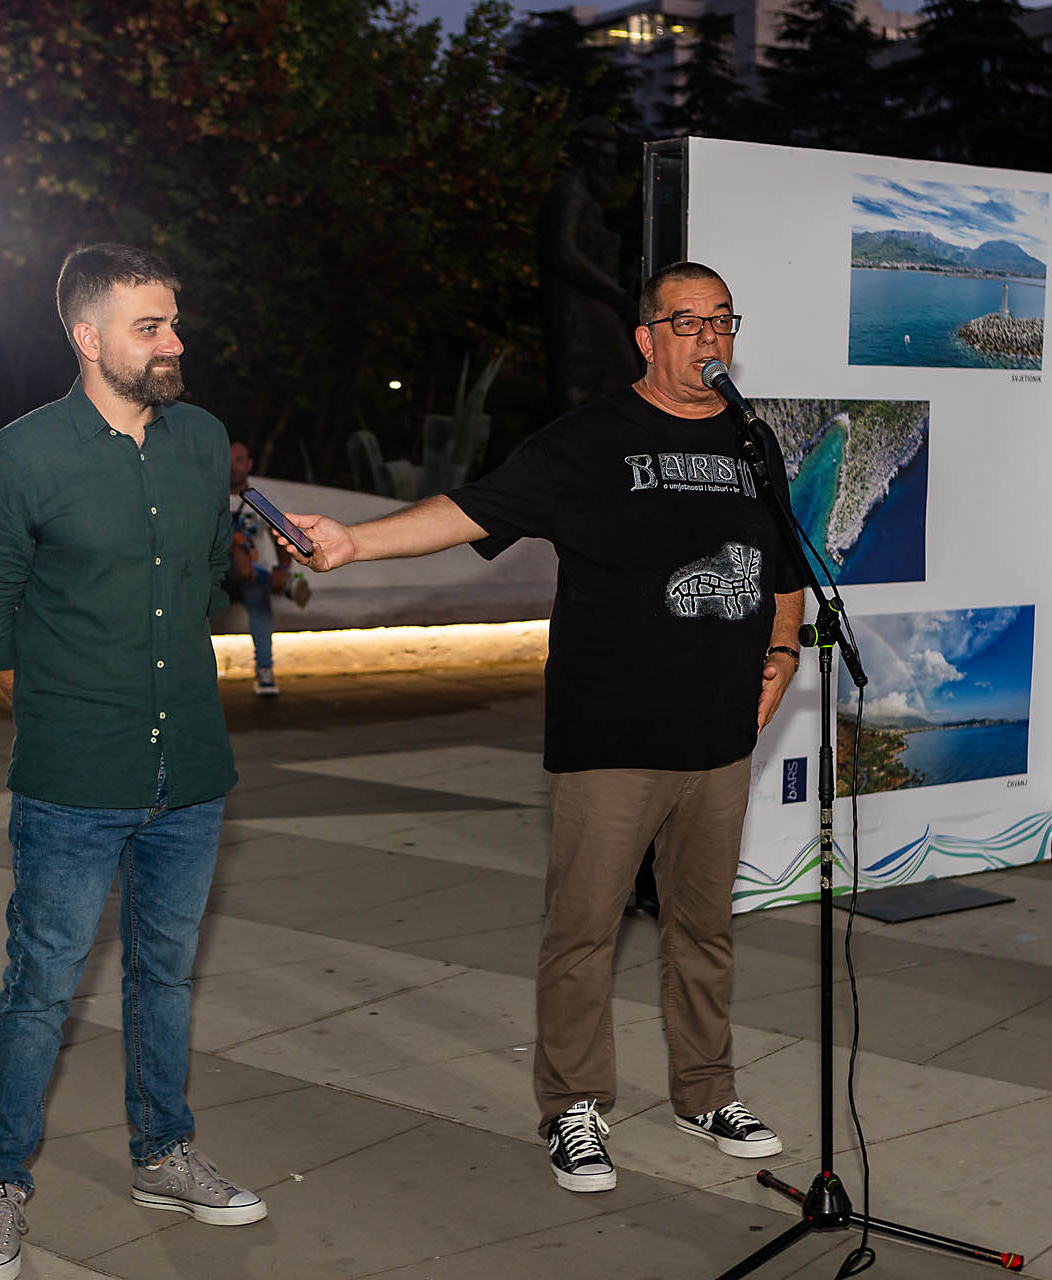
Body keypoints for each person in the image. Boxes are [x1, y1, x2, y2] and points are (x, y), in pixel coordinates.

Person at [273, 262, 804, 1194]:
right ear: (646, 340)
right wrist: (357, 543)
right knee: (584, 933)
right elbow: (472, 510)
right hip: (612, 738)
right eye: (688, 322)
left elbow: (784, 568)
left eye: (723, 320)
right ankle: (573, 1107)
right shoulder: (590, 439)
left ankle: (706, 1091)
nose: (711, 337)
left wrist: (786, 651)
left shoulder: (751, 441)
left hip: (721, 738)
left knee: (703, 930)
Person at [0, 244, 264, 1280]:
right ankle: (0, 1188)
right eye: (150, 326)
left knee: (164, 975)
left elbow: (207, 579)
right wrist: (68, 718)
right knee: (40, 985)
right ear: (89, 338)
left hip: (194, 774)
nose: (175, 341)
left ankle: (164, 1153)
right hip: (73, 783)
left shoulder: (203, 441)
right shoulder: (18, 458)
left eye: (174, 321)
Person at [225, 439, 301, 695]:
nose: (233, 466)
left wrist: (284, 568)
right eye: (228, 460)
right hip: (216, 576)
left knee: (258, 594)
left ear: (249, 464)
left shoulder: (259, 498)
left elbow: (282, 534)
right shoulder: (210, 495)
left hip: (250, 578)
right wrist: (235, 551)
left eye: (238, 460)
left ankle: (265, 670)